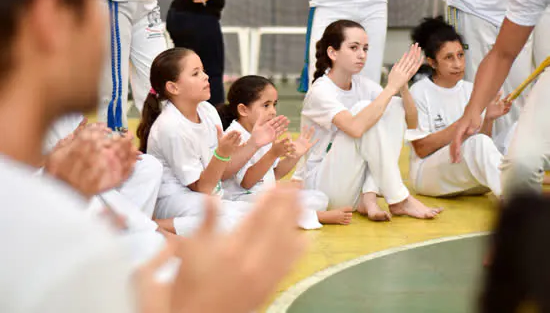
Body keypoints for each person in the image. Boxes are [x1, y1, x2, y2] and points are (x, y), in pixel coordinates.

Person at [0, 0, 307, 311]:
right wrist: (222, 297)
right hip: (180, 201)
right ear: (49, 19)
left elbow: (150, 238)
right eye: (93, 1)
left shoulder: (50, 191)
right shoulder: (44, 232)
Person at [294, 19, 443, 220]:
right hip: (322, 189)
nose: (362, 54)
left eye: (365, 48)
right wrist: (390, 88)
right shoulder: (320, 91)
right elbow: (355, 128)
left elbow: (411, 122)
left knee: (394, 106)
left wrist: (402, 86)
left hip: (351, 189)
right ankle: (399, 199)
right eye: (353, 48)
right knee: (365, 111)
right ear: (333, 53)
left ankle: (369, 197)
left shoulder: (364, 85)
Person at [137, 48, 292, 236]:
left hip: (204, 198)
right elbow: (202, 187)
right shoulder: (170, 127)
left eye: (203, 70)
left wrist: (254, 143)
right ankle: (156, 226)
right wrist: (222, 153)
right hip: (176, 201)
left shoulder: (207, 111)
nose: (206, 77)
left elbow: (222, 174)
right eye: (196, 73)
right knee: (239, 221)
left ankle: (172, 228)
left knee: (265, 215)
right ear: (173, 87)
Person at [451, 0, 550, 198]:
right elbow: (502, 53)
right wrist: (473, 109)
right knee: (520, 167)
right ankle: (528, 231)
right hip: (478, 9)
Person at [219, 75, 353, 227]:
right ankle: (316, 216)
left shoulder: (264, 131)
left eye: (274, 104)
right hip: (242, 198)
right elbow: (247, 183)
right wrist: (273, 153)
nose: (273, 111)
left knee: (318, 198)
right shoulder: (235, 135)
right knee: (269, 208)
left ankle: (301, 214)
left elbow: (275, 173)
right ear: (243, 109)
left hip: (265, 195)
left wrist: (295, 156)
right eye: (266, 105)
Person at [407, 16, 509, 199]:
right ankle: (520, 206)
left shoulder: (472, 90)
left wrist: (488, 118)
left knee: (513, 133)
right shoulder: (419, 92)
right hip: (427, 176)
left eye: (460, 55)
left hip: (465, 174)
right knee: (482, 146)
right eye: (449, 57)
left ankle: (519, 196)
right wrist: (463, 122)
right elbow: (421, 148)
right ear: (432, 62)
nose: (458, 64)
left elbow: (479, 144)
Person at [444, 0, 532, 138]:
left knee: (515, 105)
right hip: (472, 9)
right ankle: (474, 161)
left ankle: (505, 162)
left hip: (518, 13)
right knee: (473, 102)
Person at [98, 0, 167, 130]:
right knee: (114, 87)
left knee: (162, 78)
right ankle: (113, 144)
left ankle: (158, 142)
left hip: (148, 0)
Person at [299, 0, 388, 92]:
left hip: (373, 3)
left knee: (369, 79)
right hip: (329, 3)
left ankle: (364, 111)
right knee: (321, 77)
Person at [166, 0, 232, 106]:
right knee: (210, 72)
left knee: (187, 70)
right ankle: (214, 120)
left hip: (183, 16)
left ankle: (187, 115)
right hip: (197, 18)